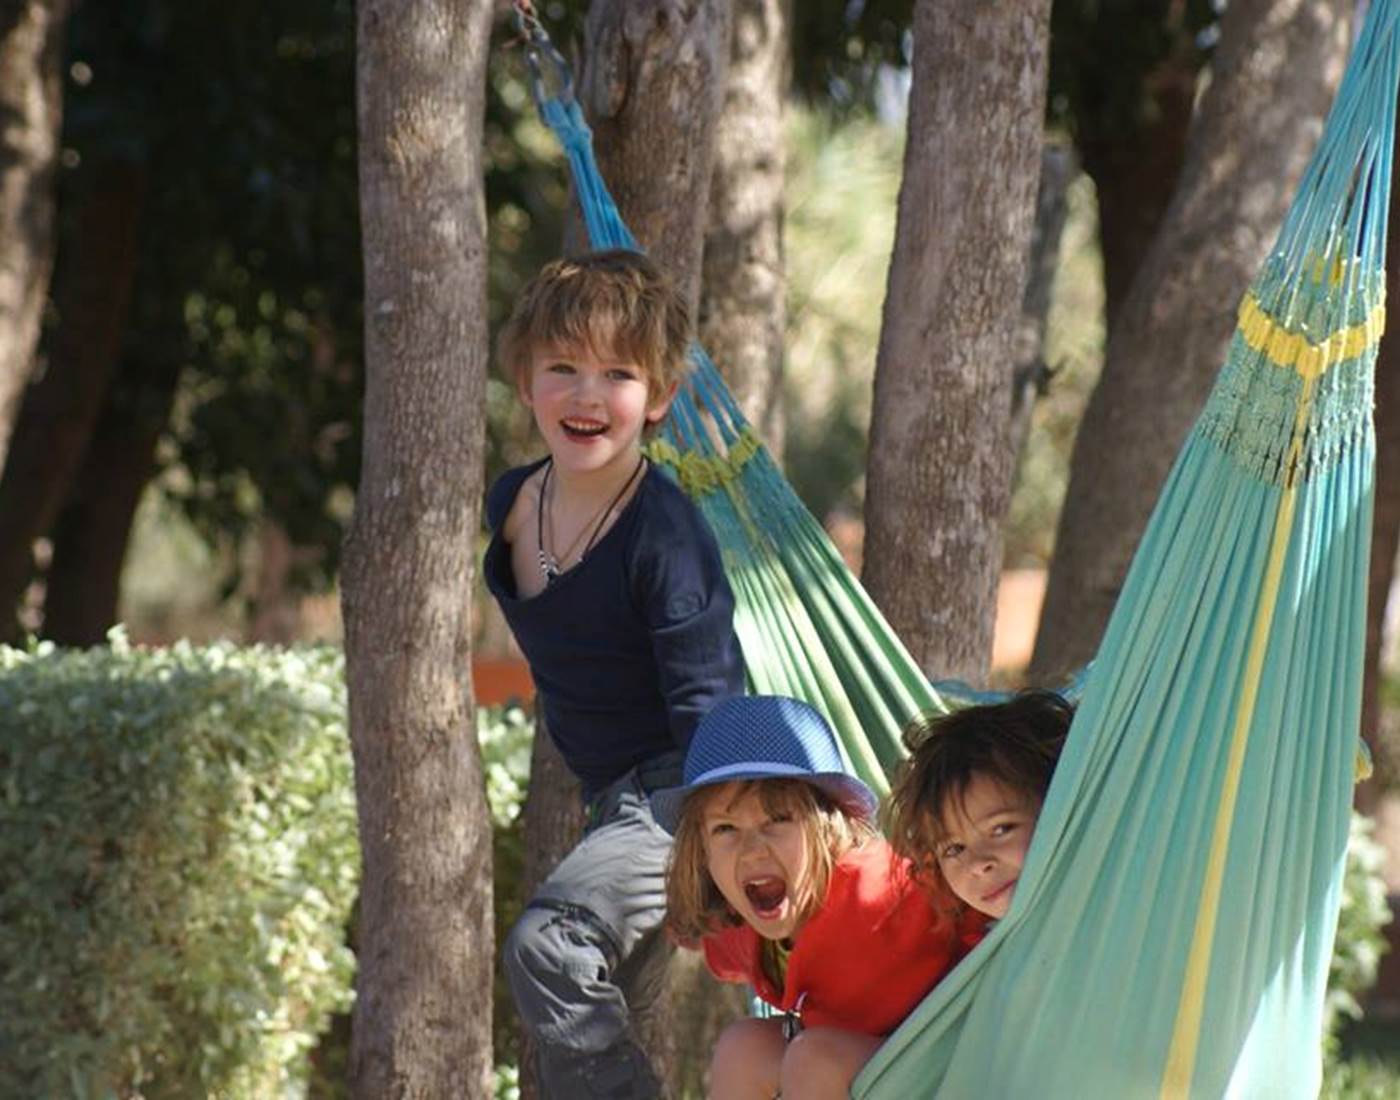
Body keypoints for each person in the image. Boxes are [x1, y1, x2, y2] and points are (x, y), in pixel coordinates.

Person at [486, 249, 746, 1099]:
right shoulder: (515, 503)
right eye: (562, 367)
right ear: (526, 382)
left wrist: (717, 844)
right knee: (586, 1042)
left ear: (661, 397)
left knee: (550, 949)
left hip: (683, 797)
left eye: (619, 374)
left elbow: (710, 705)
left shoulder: (664, 536)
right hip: (610, 805)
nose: (588, 395)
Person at [652, 694, 984, 1100]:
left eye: (778, 819)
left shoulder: (883, 888)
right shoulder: (738, 930)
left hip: (952, 1063)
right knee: (743, 1049)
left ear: (828, 829)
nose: (752, 849)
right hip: (866, 1063)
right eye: (725, 829)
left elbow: (971, 902)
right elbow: (720, 946)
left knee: (812, 1058)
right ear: (700, 852)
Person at [886, 690, 1073, 920]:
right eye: (954, 849)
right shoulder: (993, 952)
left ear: (1064, 807)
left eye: (1001, 829)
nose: (978, 865)